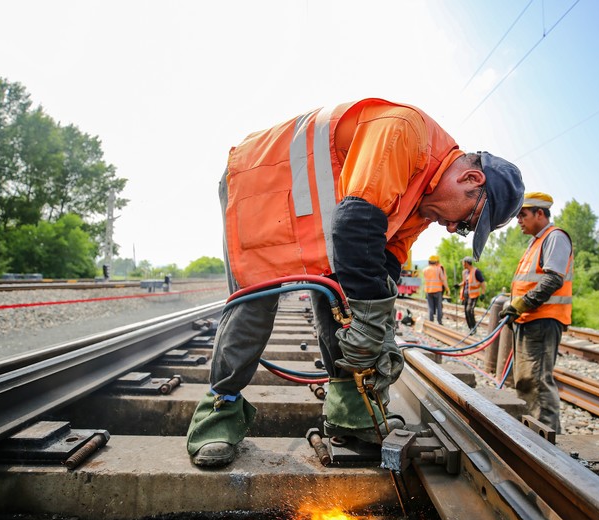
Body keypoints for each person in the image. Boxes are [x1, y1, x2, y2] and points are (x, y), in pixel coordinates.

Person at [187, 97, 525, 467]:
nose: (451, 227)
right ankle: (218, 413)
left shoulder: (422, 198)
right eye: (466, 222)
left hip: (316, 217)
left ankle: (351, 413)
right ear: (471, 180)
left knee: (343, 303)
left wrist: (379, 332)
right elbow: (354, 225)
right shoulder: (406, 133)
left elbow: (387, 259)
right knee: (257, 299)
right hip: (262, 184)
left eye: (461, 230)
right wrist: (366, 319)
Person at [499, 192, 573, 434]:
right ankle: (535, 435)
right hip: (528, 319)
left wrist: (522, 304)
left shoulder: (555, 238)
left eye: (523, 214)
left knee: (538, 383)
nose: (519, 220)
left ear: (540, 214)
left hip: (542, 320)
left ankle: (547, 445)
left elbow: (553, 280)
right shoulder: (537, 242)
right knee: (526, 381)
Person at [459, 257, 486, 329]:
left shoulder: (476, 271)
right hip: (465, 294)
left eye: (463, 262)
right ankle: (470, 327)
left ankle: (473, 327)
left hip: (473, 295)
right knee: (466, 311)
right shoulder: (464, 272)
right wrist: (459, 285)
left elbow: (482, 283)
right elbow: (465, 282)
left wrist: (483, 293)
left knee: (469, 310)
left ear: (466, 263)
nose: (462, 264)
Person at [422, 255, 449, 325]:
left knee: (430, 307)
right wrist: (447, 289)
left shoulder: (425, 270)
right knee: (439, 306)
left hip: (428, 291)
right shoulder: (438, 269)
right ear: (436, 262)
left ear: (429, 262)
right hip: (437, 290)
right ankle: (439, 321)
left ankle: (431, 321)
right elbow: (443, 280)